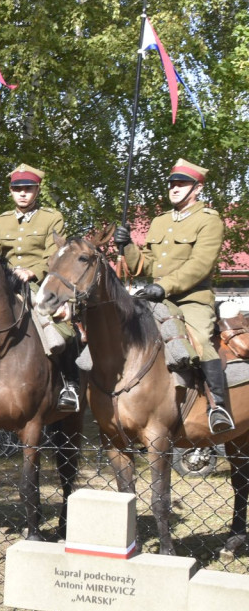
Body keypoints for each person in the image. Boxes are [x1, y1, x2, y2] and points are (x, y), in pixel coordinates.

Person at [113, 158, 234, 435]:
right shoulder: (160, 221)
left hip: (192, 299)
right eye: (172, 183)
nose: (175, 188)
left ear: (197, 188)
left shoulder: (209, 220)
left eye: (182, 183)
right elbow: (144, 265)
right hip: (157, 297)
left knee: (201, 340)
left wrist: (164, 286)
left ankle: (218, 407)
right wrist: (127, 245)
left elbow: (200, 265)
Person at [0, 163, 80, 412]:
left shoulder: (52, 218)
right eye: (17, 188)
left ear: (37, 190)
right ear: (10, 190)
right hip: (6, 285)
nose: (22, 193)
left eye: (27, 188)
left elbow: (56, 255)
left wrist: (33, 271)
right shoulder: (1, 221)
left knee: (63, 328)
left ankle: (70, 384)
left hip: (39, 284)